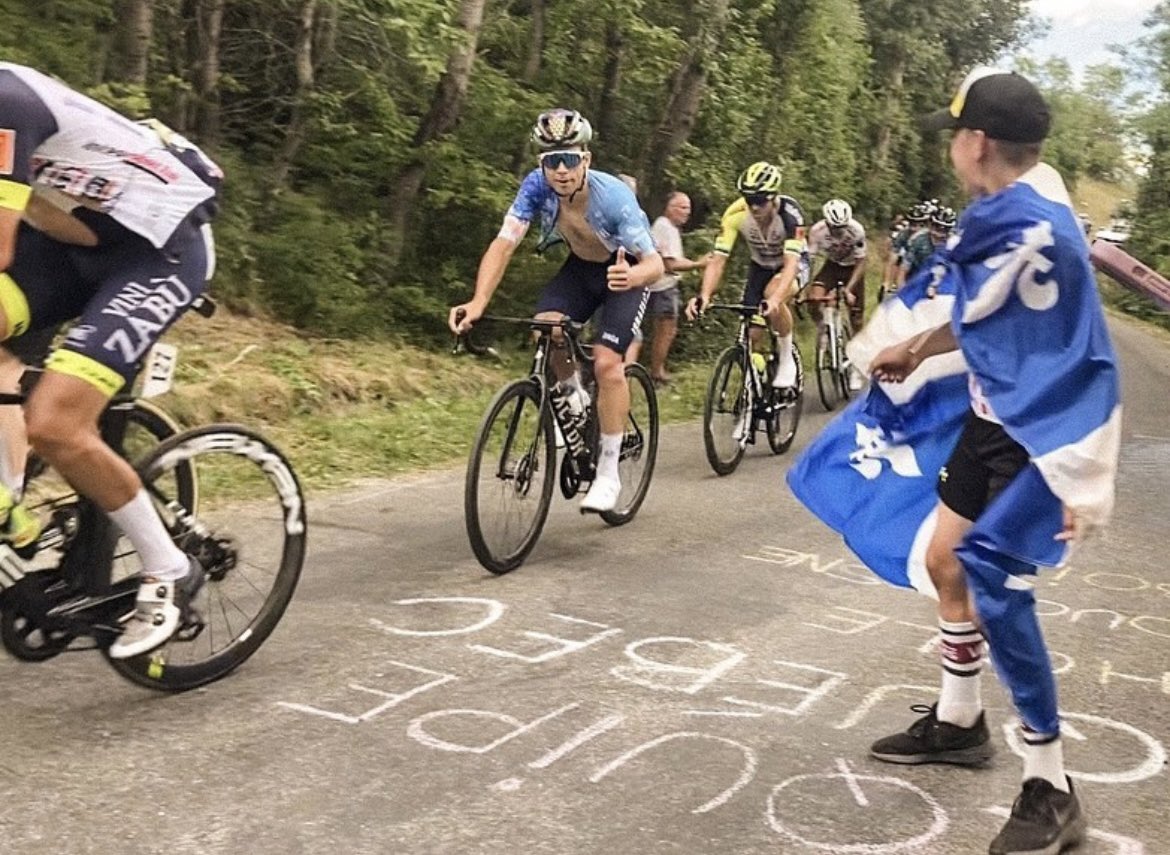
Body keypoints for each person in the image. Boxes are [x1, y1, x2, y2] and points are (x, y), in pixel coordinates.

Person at [867, 67, 1121, 855]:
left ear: (977, 143)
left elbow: (1079, 350)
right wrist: (918, 346)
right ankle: (960, 720)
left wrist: (1079, 474)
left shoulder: (1023, 224)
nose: (951, 149)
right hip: (991, 417)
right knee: (945, 559)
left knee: (995, 583)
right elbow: (982, 308)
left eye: (955, 136)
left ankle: (1051, 786)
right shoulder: (1025, 208)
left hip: (1040, 433)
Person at [0, 62, 222, 657]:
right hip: (69, 244)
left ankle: (169, 568)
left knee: (54, 424)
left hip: (158, 253)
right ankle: (7, 502)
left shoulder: (5, 103)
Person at [448, 108, 663, 513]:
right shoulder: (535, 187)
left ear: (586, 160)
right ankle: (575, 397)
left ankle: (608, 474)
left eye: (569, 159)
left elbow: (656, 265)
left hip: (626, 272)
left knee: (607, 364)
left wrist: (632, 277)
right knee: (546, 327)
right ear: (541, 164)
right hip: (581, 269)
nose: (561, 171)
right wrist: (478, 302)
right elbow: (503, 244)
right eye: (552, 161)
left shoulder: (614, 196)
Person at [685, 161, 806, 391]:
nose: (754, 207)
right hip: (761, 265)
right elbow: (718, 260)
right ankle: (757, 385)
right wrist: (705, 296)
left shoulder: (791, 216)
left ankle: (786, 357)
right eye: (749, 200)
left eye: (760, 201)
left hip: (791, 263)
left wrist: (775, 299)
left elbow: (791, 265)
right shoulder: (735, 215)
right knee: (751, 334)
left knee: (773, 294)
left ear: (774, 197)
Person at [638, 191, 708, 384]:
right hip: (662, 287)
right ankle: (657, 373)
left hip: (660, 286)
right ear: (670, 208)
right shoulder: (664, 227)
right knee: (665, 330)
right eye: (682, 207)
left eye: (688, 208)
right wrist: (699, 264)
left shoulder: (669, 228)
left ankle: (656, 370)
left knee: (666, 329)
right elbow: (670, 264)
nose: (687, 212)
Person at [805, 199, 868, 389]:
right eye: (835, 228)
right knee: (813, 299)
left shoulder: (857, 230)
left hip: (853, 269)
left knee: (856, 318)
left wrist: (848, 289)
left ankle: (856, 366)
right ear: (827, 223)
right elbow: (809, 261)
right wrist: (805, 287)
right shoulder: (817, 231)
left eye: (842, 227)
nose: (839, 232)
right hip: (832, 266)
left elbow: (861, 263)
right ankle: (824, 329)